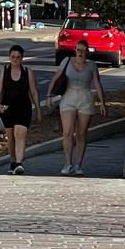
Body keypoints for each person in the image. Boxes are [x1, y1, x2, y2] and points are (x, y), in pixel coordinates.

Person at [49, 41, 108, 175]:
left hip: (85, 97)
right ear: (75, 50)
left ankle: (78, 165)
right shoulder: (67, 61)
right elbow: (56, 77)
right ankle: (67, 163)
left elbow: (97, 84)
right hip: (68, 97)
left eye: (83, 50)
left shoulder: (92, 65)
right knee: (67, 132)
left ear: (87, 51)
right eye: (78, 50)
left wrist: (102, 102)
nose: (80, 53)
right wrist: (49, 95)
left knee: (81, 134)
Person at [0, 44, 39, 173]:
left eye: (18, 57)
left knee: (20, 133)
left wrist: (38, 109)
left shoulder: (28, 72)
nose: (15, 60)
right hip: (8, 108)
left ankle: (19, 163)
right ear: (9, 57)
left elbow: (34, 91)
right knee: (11, 136)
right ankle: (13, 162)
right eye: (13, 57)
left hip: (24, 107)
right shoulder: (3, 71)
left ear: (22, 58)